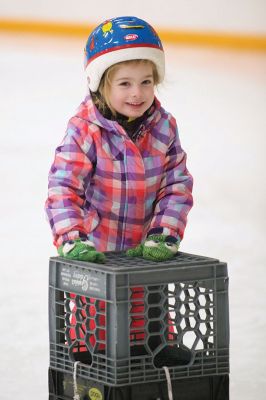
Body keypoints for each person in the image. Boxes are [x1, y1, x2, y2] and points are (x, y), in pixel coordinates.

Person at [45, 16, 193, 263]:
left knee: (147, 303)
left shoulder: (164, 128)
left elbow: (176, 185)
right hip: (96, 257)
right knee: (100, 303)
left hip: (146, 259)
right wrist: (72, 239)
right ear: (101, 83)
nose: (137, 92)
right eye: (125, 83)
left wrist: (164, 232)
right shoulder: (85, 130)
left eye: (146, 82)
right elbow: (63, 188)